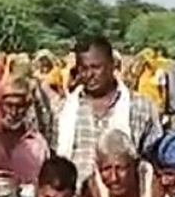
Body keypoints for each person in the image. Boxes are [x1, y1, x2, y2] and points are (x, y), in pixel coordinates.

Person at [56, 35, 162, 183]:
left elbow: (153, 158)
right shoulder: (63, 109)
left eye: (96, 67)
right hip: (74, 193)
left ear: (112, 65)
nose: (89, 75)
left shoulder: (140, 107)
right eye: (84, 68)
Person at [0, 73, 50, 185]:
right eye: (8, 105)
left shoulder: (38, 145)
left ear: (27, 107)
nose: (13, 112)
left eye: (19, 106)